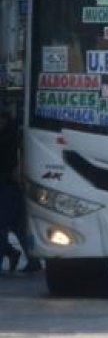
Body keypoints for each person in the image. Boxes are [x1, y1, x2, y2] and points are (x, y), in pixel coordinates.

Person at [0, 108, 37, 274]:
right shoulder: (14, 133)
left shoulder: (11, 136)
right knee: (18, 225)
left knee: (7, 225)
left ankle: (13, 254)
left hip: (8, 184)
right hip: (11, 184)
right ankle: (26, 257)